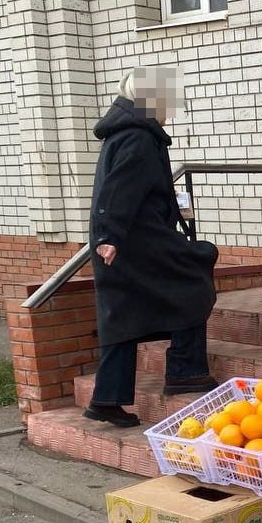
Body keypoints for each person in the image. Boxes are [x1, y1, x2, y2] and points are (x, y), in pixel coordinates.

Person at [84, 67, 219, 428]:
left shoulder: (128, 134)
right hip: (138, 239)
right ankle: (186, 371)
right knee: (194, 282)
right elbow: (119, 188)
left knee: (124, 315)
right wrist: (109, 236)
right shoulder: (138, 138)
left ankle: (106, 399)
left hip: (128, 239)